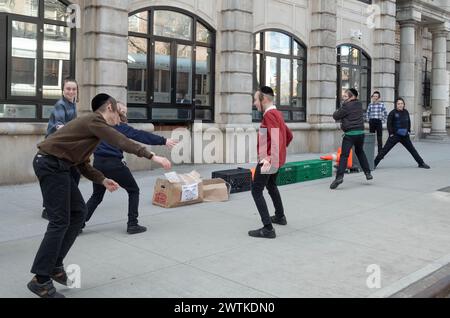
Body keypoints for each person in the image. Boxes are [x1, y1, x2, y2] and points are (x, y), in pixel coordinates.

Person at [28, 94, 172, 298]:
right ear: (110, 108)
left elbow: (82, 163)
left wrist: (102, 180)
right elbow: (120, 140)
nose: (120, 120)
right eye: (119, 115)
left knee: (79, 213)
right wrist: (151, 155)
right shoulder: (95, 120)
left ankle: (54, 266)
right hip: (50, 165)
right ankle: (40, 279)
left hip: (59, 166)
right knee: (59, 221)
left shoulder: (92, 130)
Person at [84, 102, 178, 234]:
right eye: (123, 112)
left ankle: (78, 224)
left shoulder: (99, 126)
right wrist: (163, 140)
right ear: (115, 111)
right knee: (133, 190)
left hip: (98, 164)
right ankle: (132, 224)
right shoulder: (119, 126)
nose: (125, 115)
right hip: (114, 164)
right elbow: (140, 135)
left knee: (97, 196)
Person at [248, 86, 293, 239]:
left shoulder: (269, 115)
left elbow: (276, 138)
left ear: (264, 99)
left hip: (269, 160)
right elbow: (289, 135)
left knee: (256, 190)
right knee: (271, 185)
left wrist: (269, 158)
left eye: (255, 99)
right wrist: (279, 154)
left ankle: (268, 228)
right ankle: (280, 216)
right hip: (275, 159)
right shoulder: (276, 113)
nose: (254, 103)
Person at [42, 78, 80, 220]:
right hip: (53, 148)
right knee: (56, 178)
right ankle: (47, 209)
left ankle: (67, 203)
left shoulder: (73, 104)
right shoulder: (60, 104)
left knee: (73, 174)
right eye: (68, 89)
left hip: (65, 146)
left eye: (73, 89)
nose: (71, 91)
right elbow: (59, 125)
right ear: (63, 90)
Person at [330, 88, 373, 190]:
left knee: (344, 155)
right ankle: (368, 173)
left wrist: (341, 107)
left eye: (345, 96)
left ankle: (339, 177)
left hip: (350, 134)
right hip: (360, 134)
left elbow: (335, 116)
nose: (343, 98)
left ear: (352, 96)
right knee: (360, 152)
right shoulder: (359, 104)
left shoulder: (346, 106)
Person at [374, 98, 431, 169]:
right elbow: (389, 124)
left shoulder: (406, 112)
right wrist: (391, 134)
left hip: (405, 136)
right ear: (396, 105)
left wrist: (409, 130)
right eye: (398, 104)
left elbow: (408, 121)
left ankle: (421, 163)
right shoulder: (392, 113)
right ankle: (374, 164)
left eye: (401, 104)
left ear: (404, 105)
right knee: (384, 150)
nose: (400, 105)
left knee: (412, 150)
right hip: (395, 136)